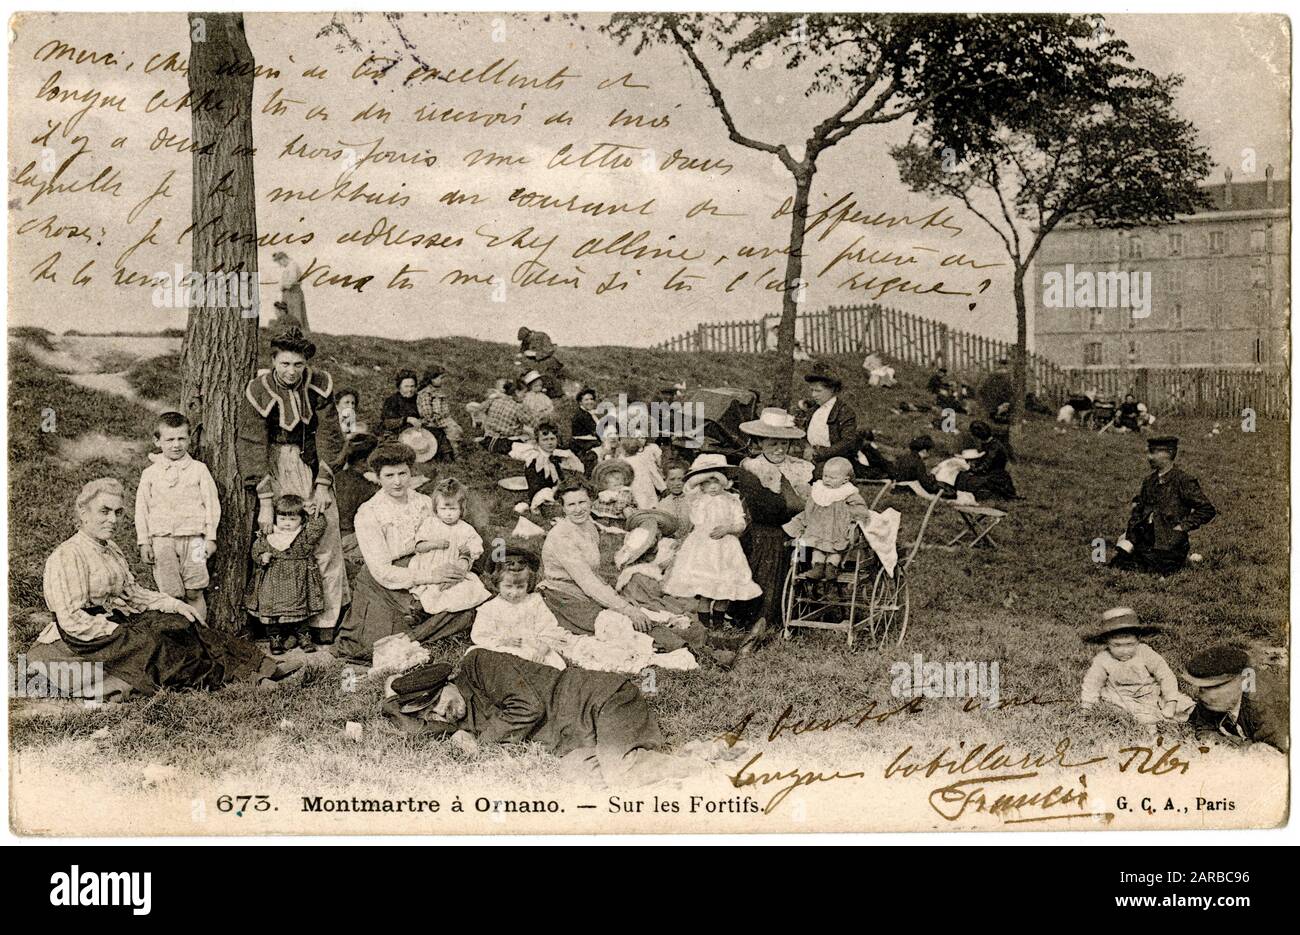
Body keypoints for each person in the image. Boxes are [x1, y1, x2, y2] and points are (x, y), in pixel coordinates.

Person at [26, 479, 294, 700]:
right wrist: (119, 632)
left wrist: (175, 604)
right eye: (104, 511)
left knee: (181, 623)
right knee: (155, 643)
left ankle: (263, 666)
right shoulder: (67, 555)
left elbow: (133, 593)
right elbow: (71, 618)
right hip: (86, 634)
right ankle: (242, 682)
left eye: (118, 513)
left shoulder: (110, 550)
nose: (113, 520)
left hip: (115, 618)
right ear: (84, 512)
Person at [388, 650, 672, 784]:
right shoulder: (454, 715)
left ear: (449, 681)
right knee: (586, 781)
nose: (441, 714)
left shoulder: (479, 665)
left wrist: (480, 742)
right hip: (573, 740)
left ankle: (708, 766)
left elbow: (528, 706)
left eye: (438, 701)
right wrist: (391, 700)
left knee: (621, 774)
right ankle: (696, 758)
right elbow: (402, 718)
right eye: (431, 713)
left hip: (596, 700)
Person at [236, 326, 348, 644]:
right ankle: (274, 619)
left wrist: (323, 483)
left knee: (324, 535)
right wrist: (266, 500)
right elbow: (251, 442)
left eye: (298, 365)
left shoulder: (319, 384)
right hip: (274, 466)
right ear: (274, 360)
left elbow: (330, 434)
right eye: (285, 364)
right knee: (275, 541)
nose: (291, 371)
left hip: (311, 463)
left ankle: (324, 619)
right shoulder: (259, 389)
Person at [334, 443, 478, 660]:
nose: (397, 481)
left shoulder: (424, 502)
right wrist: (431, 576)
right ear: (377, 477)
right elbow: (382, 571)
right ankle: (414, 635)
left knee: (467, 601)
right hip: (386, 581)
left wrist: (460, 564)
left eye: (403, 473)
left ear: (412, 472)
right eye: (389, 475)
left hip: (428, 563)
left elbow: (454, 535)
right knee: (376, 638)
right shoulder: (369, 513)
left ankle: (419, 631)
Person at [539, 480, 702, 653]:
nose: (578, 509)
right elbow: (588, 582)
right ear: (563, 507)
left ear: (591, 501)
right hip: (562, 597)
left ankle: (689, 640)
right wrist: (626, 609)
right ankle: (682, 647)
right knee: (622, 623)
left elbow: (593, 575)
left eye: (582, 502)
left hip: (584, 590)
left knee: (637, 610)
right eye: (571, 504)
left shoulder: (588, 526)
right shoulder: (561, 537)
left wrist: (618, 600)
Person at [734, 408, 812, 652]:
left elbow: (810, 500)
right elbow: (762, 507)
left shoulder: (800, 468)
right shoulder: (752, 468)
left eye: (784, 444)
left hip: (797, 527)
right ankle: (760, 617)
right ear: (759, 442)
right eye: (773, 443)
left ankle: (791, 610)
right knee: (765, 562)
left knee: (800, 553)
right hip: (764, 528)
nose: (780, 449)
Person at [135, 411, 219, 622]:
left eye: (181, 438)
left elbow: (211, 505)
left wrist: (210, 537)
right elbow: (141, 509)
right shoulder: (150, 474)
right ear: (157, 441)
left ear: (189, 439)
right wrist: (144, 542)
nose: (176, 445)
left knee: (195, 591)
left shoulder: (199, 470)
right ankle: (177, 640)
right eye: (170, 439)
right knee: (171, 595)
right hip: (162, 540)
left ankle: (200, 638)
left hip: (195, 540)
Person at [663, 456, 761, 626]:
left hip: (726, 548)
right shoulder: (698, 498)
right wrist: (709, 473)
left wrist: (727, 529)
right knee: (706, 589)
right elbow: (689, 486)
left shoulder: (731, 499)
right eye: (708, 482)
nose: (713, 486)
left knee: (724, 589)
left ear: (724, 481)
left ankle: (718, 624)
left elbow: (740, 524)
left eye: (717, 481)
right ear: (701, 484)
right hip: (704, 549)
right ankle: (704, 625)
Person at [1110, 436, 1216, 575]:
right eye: (1149, 452)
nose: (1149, 457)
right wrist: (1131, 535)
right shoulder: (1149, 481)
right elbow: (1138, 511)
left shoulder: (1183, 481)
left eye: (1153, 452)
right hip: (1146, 538)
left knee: (1154, 568)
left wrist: (1183, 527)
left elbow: (1207, 509)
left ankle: (1181, 560)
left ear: (1169, 453)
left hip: (1170, 542)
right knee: (1119, 563)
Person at [1080, 607, 1193, 725]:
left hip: (1151, 693)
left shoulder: (1145, 652)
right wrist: (1087, 706)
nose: (1124, 651)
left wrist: (1171, 701)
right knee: (1132, 714)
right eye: (1117, 645)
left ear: (1138, 640)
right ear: (1107, 642)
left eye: (1129, 644)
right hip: (1122, 697)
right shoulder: (1103, 659)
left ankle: (1168, 710)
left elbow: (1165, 675)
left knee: (1185, 706)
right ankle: (1150, 719)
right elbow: (1092, 683)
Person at [247, 495, 327, 655]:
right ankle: (275, 639)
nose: (287, 523)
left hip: (297, 577)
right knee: (271, 610)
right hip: (273, 577)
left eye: (293, 519)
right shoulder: (268, 535)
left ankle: (304, 637)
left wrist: (313, 513)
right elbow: (256, 549)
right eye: (282, 518)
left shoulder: (303, 535)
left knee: (300, 609)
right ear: (275, 518)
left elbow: (318, 527)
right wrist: (262, 557)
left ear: (301, 519)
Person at [470, 551, 573, 670]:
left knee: (551, 665)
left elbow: (547, 627)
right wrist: (502, 640)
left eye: (520, 587)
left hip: (533, 649)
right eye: (508, 586)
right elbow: (481, 635)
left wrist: (543, 647)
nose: (514, 593)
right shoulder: (490, 608)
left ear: (528, 585)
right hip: (503, 648)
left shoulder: (534, 602)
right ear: (497, 584)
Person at [408, 478, 491, 616]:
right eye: (443, 509)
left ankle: (442, 612)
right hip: (430, 567)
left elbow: (476, 545)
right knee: (431, 589)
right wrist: (434, 544)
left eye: (452, 509)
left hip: (453, 567)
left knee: (464, 588)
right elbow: (419, 547)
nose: (448, 513)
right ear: (436, 508)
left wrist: (469, 551)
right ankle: (421, 610)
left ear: (461, 509)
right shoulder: (430, 524)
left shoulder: (465, 529)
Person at [782, 456, 871, 582]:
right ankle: (818, 567)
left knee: (835, 550)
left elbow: (860, 509)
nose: (827, 480)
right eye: (825, 476)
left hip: (836, 528)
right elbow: (810, 508)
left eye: (832, 478)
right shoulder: (819, 490)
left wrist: (846, 514)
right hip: (818, 527)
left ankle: (831, 567)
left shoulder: (847, 492)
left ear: (845, 480)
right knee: (817, 548)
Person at [1181, 646, 1286, 751]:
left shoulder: (1265, 707)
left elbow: (1276, 752)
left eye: (1217, 686)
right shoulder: (1212, 700)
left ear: (1242, 681)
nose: (1205, 695)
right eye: (1202, 688)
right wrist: (1241, 745)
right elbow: (1204, 729)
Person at [332, 431, 379, 567]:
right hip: (349, 537)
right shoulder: (367, 487)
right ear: (364, 461)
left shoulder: (337, 476)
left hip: (335, 534)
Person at [802, 369, 857, 474]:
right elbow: (804, 432)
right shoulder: (813, 410)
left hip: (832, 459)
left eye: (818, 391)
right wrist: (807, 447)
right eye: (812, 390)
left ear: (831, 389)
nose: (813, 395)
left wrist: (819, 454)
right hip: (811, 455)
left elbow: (848, 442)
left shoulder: (844, 411)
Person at [955, 420, 1016, 500]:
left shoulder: (994, 447)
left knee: (966, 479)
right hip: (988, 474)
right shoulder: (988, 444)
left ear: (977, 437)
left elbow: (985, 466)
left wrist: (970, 469)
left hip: (996, 477)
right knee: (962, 476)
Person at [415, 365, 460, 462]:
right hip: (432, 422)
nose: (442, 380)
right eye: (440, 378)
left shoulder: (438, 391)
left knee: (456, 430)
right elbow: (427, 413)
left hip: (443, 419)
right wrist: (438, 418)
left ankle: (454, 451)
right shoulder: (426, 394)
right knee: (453, 432)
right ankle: (455, 454)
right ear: (432, 379)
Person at [480, 379, 535, 454]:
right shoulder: (519, 407)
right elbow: (532, 423)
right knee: (531, 438)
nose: (525, 395)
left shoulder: (495, 400)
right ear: (517, 392)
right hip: (505, 444)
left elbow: (481, 409)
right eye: (524, 392)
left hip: (487, 440)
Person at [516, 326, 565, 397]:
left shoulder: (542, 336)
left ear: (530, 334)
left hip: (548, 360)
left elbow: (549, 350)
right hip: (535, 363)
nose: (525, 342)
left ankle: (557, 394)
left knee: (547, 372)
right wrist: (520, 355)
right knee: (523, 372)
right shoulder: (526, 340)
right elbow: (522, 350)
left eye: (525, 339)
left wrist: (535, 354)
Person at [272, 251, 308, 333]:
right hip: (288, 293)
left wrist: (283, 286)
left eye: (279, 262)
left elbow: (292, 280)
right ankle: (291, 332)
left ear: (283, 259)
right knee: (288, 312)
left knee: (296, 313)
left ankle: (298, 333)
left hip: (293, 293)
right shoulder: (289, 266)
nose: (280, 265)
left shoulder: (292, 265)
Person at [379, 369, 422, 438]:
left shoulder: (419, 399)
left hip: (418, 434)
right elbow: (386, 423)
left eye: (412, 386)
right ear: (399, 387)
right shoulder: (392, 400)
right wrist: (407, 419)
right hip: (396, 435)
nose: (410, 390)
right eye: (406, 386)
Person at [571, 387, 602, 473]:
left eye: (591, 399)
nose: (590, 402)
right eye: (586, 400)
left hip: (589, 442)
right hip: (582, 445)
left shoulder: (589, 413)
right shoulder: (581, 416)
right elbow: (596, 431)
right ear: (580, 402)